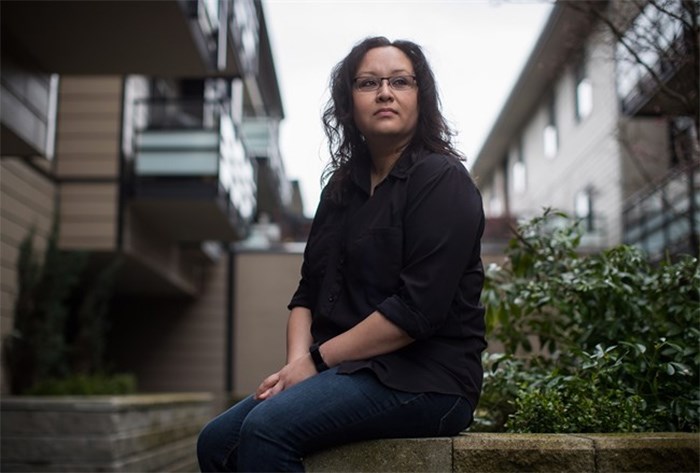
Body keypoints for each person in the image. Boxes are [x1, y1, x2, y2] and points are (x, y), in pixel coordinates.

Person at [197, 36, 486, 472]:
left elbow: (416, 312)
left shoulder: (442, 180)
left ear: (420, 97)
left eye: (400, 82)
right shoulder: (340, 189)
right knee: (217, 442)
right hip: (346, 372)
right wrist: (297, 367)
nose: (385, 92)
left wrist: (314, 363)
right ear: (349, 103)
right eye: (368, 82)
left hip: (429, 380)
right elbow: (307, 295)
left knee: (266, 428)